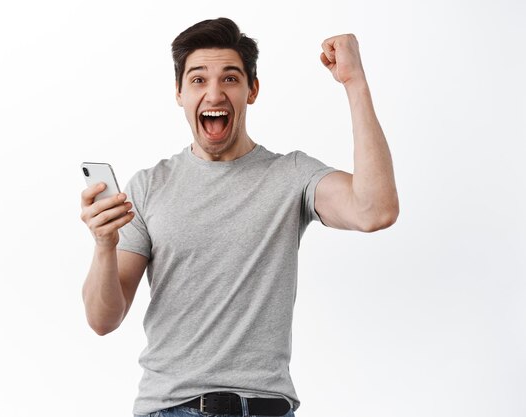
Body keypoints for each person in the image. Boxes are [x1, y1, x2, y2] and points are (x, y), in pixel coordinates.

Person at [80, 17, 398, 417]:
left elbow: (376, 210)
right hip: (171, 408)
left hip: (267, 407)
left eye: (230, 78)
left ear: (252, 90)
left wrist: (355, 83)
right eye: (197, 80)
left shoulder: (291, 176)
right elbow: (102, 319)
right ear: (179, 93)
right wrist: (104, 246)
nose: (214, 93)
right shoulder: (148, 186)